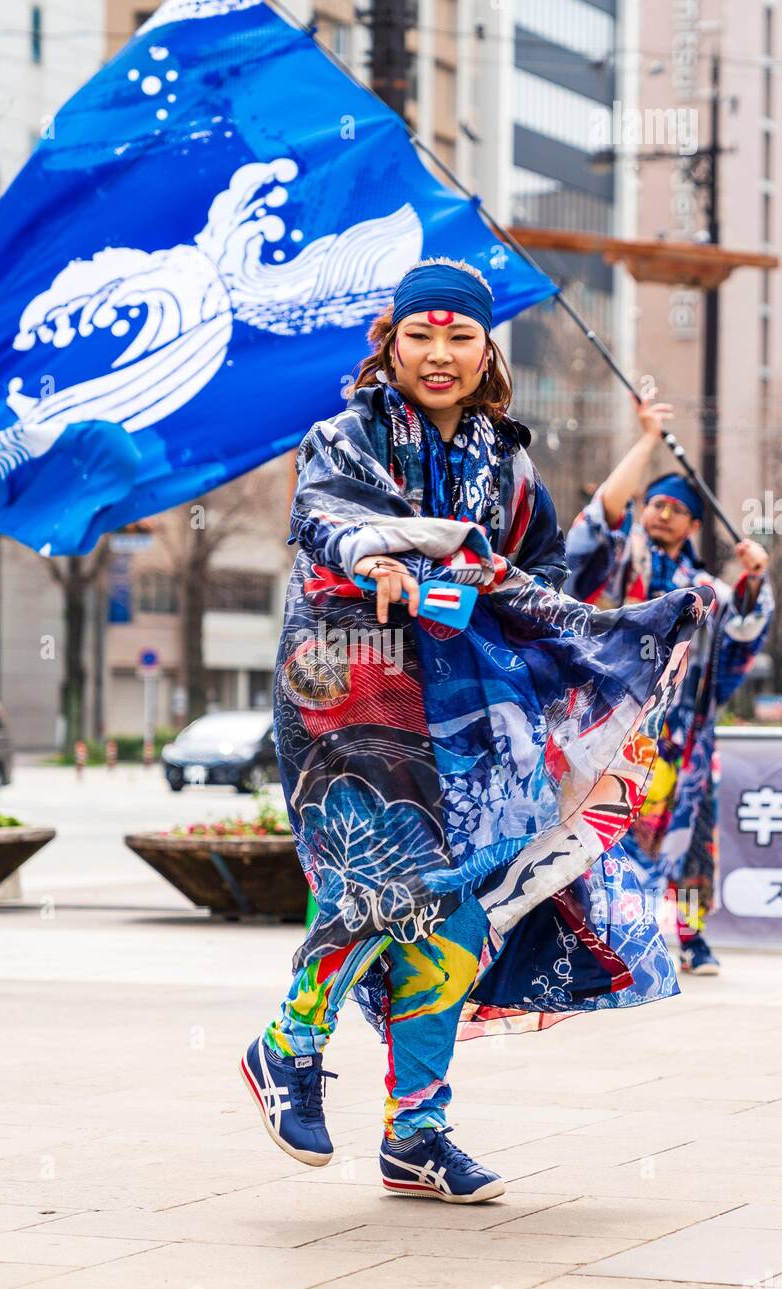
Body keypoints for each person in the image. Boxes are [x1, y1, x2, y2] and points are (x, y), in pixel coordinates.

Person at [241, 257, 714, 1204]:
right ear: (393, 341)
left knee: (459, 907)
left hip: (467, 691)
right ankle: (287, 1042)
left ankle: (415, 1132)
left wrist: (629, 628)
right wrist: (381, 554)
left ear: (486, 346)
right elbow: (327, 515)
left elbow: (533, 583)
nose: (440, 353)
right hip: (354, 674)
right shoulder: (348, 432)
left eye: (460, 334)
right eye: (421, 333)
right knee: (393, 868)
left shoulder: (510, 462)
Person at [564, 391, 773, 976]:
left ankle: (692, 936)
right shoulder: (623, 563)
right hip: (611, 727)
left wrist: (754, 579)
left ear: (695, 523)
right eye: (653, 503)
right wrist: (647, 440)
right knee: (597, 833)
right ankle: (602, 942)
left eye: (674, 508)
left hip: (680, 739)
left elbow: (741, 637)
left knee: (688, 837)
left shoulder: (708, 589)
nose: (660, 513)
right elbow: (596, 529)